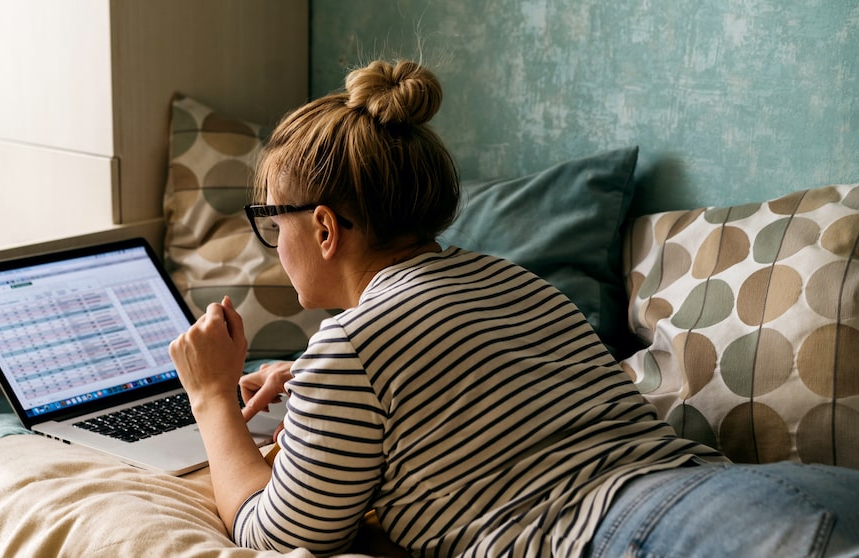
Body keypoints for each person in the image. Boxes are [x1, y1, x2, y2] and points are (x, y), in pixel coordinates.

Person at [169, 60, 859, 557]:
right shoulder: (508, 281)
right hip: (768, 489)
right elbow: (471, 393)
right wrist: (318, 385)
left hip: (650, 531)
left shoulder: (350, 346)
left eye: (272, 222)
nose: (272, 243)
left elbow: (278, 534)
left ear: (323, 229)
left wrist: (210, 401)